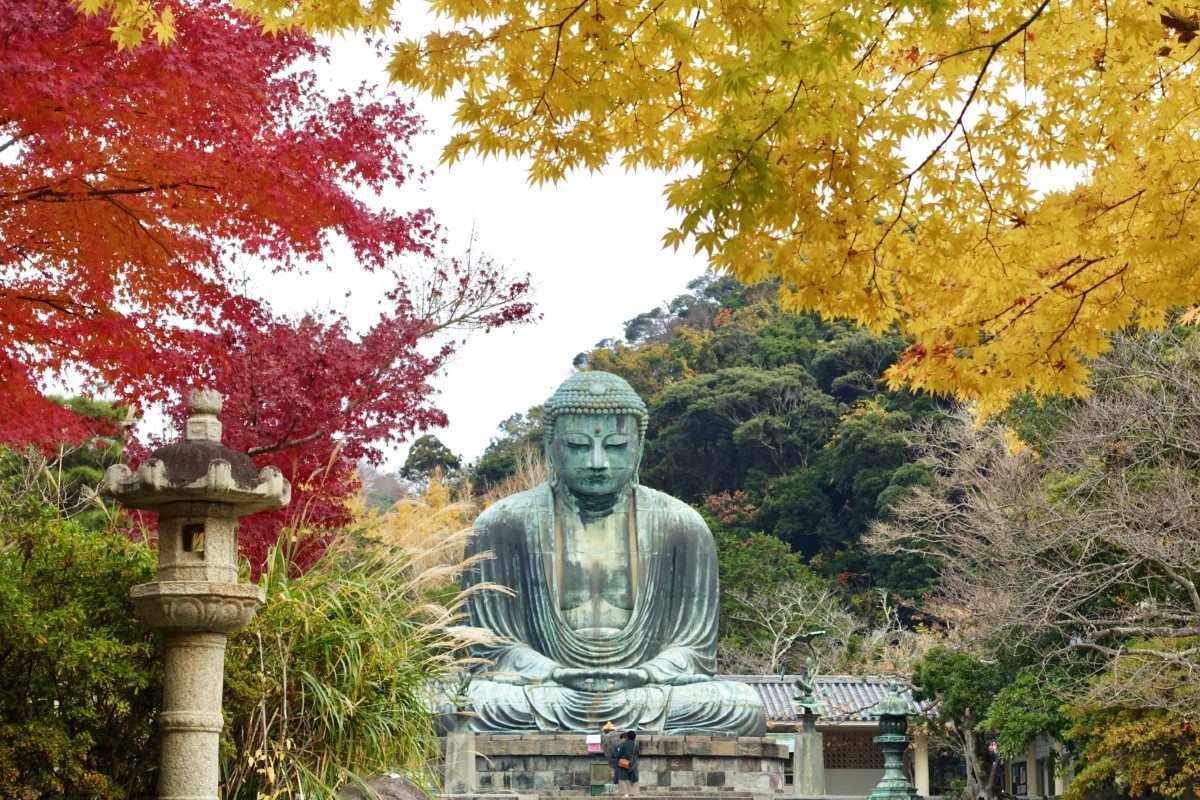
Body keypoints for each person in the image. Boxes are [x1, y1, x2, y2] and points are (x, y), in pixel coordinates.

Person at [461, 371, 766, 735]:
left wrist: (646, 673)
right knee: (468, 703)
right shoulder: (502, 523)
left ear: (639, 449)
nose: (596, 462)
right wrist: (553, 672)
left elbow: (693, 651)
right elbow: (492, 651)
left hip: (646, 691)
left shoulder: (682, 525)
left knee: (739, 706)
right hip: (547, 691)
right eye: (577, 446)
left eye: (616, 446)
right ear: (550, 447)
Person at [614, 731, 638, 796]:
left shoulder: (624, 744)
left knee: (623, 778)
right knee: (632, 777)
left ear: (627, 737)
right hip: (633, 764)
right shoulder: (636, 744)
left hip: (624, 764)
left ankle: (625, 793)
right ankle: (632, 793)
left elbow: (619, 755)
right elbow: (637, 754)